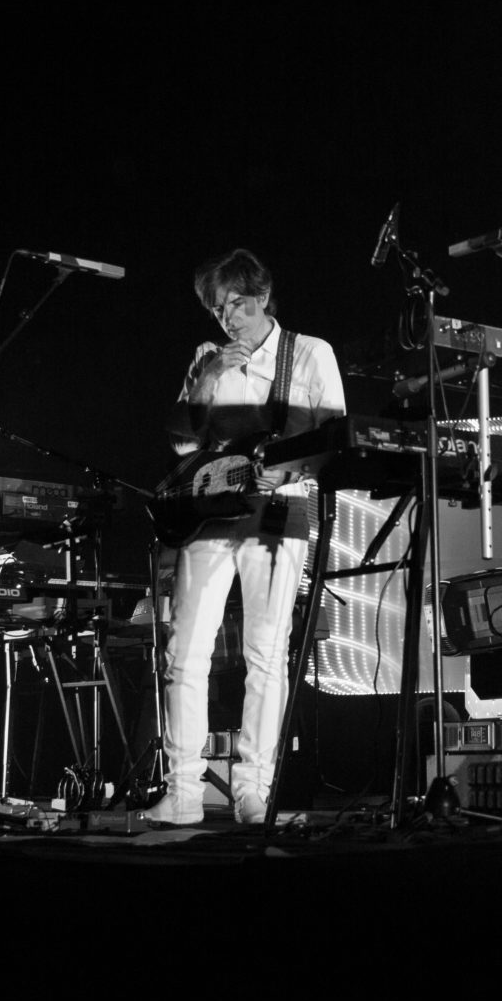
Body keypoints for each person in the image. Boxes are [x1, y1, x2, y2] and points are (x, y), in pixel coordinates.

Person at [150, 249, 346, 827]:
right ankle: (183, 793)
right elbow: (182, 445)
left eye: (236, 304)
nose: (227, 318)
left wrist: (285, 471)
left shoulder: (309, 352)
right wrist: (207, 379)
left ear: (261, 297)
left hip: (278, 510)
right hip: (211, 511)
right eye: (217, 310)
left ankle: (253, 790)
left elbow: (335, 437)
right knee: (184, 653)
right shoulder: (206, 358)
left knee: (266, 653)